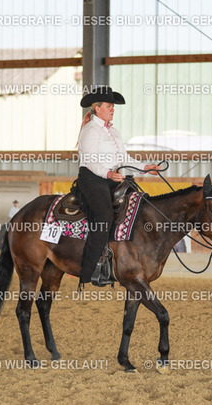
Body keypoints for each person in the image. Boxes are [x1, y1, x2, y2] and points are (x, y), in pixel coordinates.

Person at [76, 86, 160, 286]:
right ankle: (92, 268)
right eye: (109, 106)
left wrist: (145, 168)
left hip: (112, 178)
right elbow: (89, 161)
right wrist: (108, 173)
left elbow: (124, 158)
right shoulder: (90, 130)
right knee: (104, 216)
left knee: (139, 205)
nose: (112, 109)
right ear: (97, 108)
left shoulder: (113, 131)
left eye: (113, 106)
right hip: (92, 179)